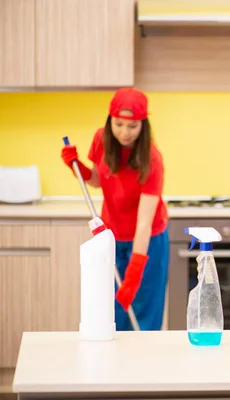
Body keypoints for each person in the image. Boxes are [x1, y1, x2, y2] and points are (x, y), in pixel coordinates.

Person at [61, 87, 169, 331]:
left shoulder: (152, 158)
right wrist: (76, 166)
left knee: (143, 314)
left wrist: (134, 272)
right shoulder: (102, 139)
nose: (124, 132)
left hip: (147, 242)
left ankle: (142, 367)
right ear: (111, 120)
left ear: (143, 125)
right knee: (111, 313)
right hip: (110, 236)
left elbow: (143, 223)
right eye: (119, 124)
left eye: (132, 126)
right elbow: (99, 180)